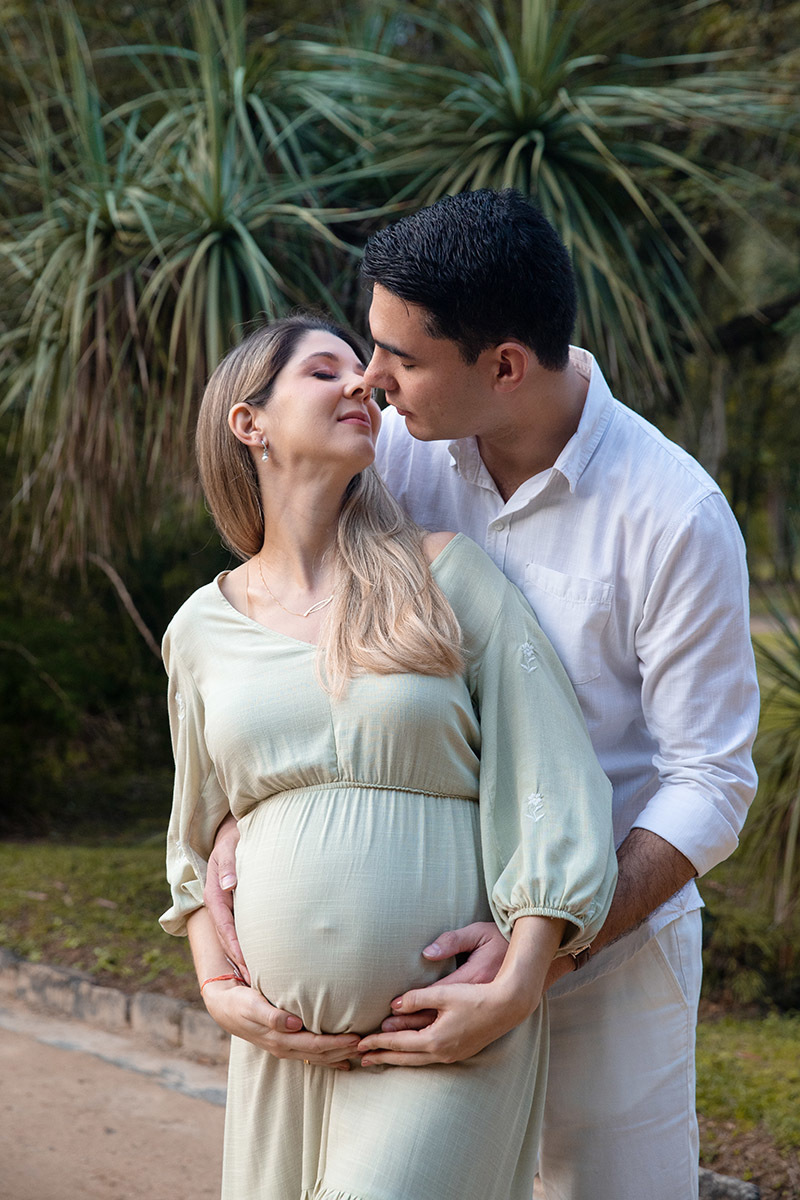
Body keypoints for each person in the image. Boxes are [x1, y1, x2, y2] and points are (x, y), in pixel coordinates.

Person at [205, 190, 760, 1200]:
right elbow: (303, 620)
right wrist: (256, 811)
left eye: (400, 359)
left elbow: (710, 781)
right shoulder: (394, 454)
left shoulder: (673, 514)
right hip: (417, 966)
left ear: (503, 366)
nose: (370, 381)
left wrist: (543, 952)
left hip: (609, 962)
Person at [159, 312, 617, 1200]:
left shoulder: (447, 576)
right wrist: (216, 984)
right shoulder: (201, 629)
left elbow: (550, 777)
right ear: (249, 423)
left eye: (362, 372)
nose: (361, 383)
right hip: (284, 1048)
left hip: (448, 1031)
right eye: (323, 371)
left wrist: (520, 980)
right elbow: (194, 834)